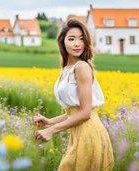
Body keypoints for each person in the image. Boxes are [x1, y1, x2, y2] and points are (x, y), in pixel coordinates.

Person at [33, 19, 114, 171]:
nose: (77, 44)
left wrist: (52, 130)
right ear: (63, 42)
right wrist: (50, 122)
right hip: (78, 134)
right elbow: (74, 111)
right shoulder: (67, 69)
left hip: (89, 134)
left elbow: (85, 113)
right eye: (71, 39)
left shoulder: (82, 67)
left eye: (81, 39)